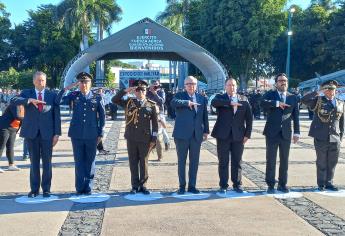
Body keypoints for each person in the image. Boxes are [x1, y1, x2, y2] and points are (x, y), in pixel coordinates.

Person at [11, 71, 61, 198]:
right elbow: (14, 100)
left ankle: (46, 189)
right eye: (38, 80)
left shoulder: (51, 95)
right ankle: (34, 189)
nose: (41, 82)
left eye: (43, 80)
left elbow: (56, 115)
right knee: (34, 162)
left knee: (47, 163)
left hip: (47, 134)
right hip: (31, 133)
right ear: (34, 81)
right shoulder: (27, 93)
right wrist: (28, 100)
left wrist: (57, 134)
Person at [57, 72, 105, 195]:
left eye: (86, 82)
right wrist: (67, 88)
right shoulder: (74, 95)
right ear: (78, 84)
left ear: (90, 83)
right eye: (81, 82)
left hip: (92, 134)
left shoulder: (97, 97)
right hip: (77, 134)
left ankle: (88, 187)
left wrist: (101, 133)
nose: (84, 84)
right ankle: (79, 187)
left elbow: (102, 117)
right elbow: (58, 101)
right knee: (79, 161)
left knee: (90, 161)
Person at [112, 80, 158, 195]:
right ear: (134, 91)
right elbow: (114, 100)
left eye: (142, 89)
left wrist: (154, 139)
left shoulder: (151, 104)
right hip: (131, 137)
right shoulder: (129, 102)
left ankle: (143, 185)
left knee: (144, 162)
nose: (140, 92)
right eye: (137, 89)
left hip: (145, 138)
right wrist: (125, 91)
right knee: (133, 162)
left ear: (146, 91)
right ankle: (134, 185)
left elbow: (155, 125)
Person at [211, 78, 253, 193]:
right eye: (229, 85)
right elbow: (213, 103)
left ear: (237, 86)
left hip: (239, 135)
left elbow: (249, 119)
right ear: (225, 87)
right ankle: (223, 185)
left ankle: (237, 184)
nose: (231, 87)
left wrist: (247, 134)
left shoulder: (244, 100)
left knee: (237, 161)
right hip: (223, 135)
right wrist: (230, 103)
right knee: (223, 161)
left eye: (233, 85)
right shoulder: (220, 98)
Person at [301, 80, 344, 191]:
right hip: (321, 136)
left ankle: (329, 183)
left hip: (335, 137)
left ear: (336, 90)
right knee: (321, 161)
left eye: (332, 89)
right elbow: (303, 100)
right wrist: (317, 92)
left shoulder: (340, 103)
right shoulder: (318, 101)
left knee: (332, 162)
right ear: (324, 91)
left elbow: (342, 123)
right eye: (328, 89)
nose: (330, 92)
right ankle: (321, 184)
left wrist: (341, 137)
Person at [261, 73, 300, 193]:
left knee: (284, 159)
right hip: (272, 132)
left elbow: (296, 115)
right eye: (281, 81)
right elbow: (262, 103)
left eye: (285, 81)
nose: (283, 82)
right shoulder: (270, 94)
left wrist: (297, 132)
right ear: (276, 83)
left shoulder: (293, 97)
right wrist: (277, 104)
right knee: (271, 159)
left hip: (286, 133)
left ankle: (282, 184)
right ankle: (271, 184)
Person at [171, 76, 209, 194]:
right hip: (181, 135)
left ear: (196, 85)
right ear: (184, 85)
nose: (191, 86)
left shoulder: (202, 98)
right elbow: (173, 103)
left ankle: (192, 186)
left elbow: (205, 116)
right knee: (182, 161)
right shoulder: (179, 96)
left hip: (196, 135)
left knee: (194, 162)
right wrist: (187, 102)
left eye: (193, 84)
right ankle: (182, 186)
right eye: (188, 84)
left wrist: (206, 131)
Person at [0, 103, 25, 172]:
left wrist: (17, 131)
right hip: (4, 127)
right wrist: (29, 118)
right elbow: (17, 116)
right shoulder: (15, 104)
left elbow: (21, 121)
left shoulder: (25, 107)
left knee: (10, 147)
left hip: (13, 129)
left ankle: (11, 165)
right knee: (1, 146)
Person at [147, 80, 170, 151]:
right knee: (151, 128)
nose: (156, 86)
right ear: (150, 85)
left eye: (157, 84)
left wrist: (155, 94)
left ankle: (167, 142)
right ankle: (152, 144)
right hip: (150, 112)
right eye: (154, 85)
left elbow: (162, 101)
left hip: (159, 112)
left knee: (162, 129)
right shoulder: (147, 92)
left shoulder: (161, 91)